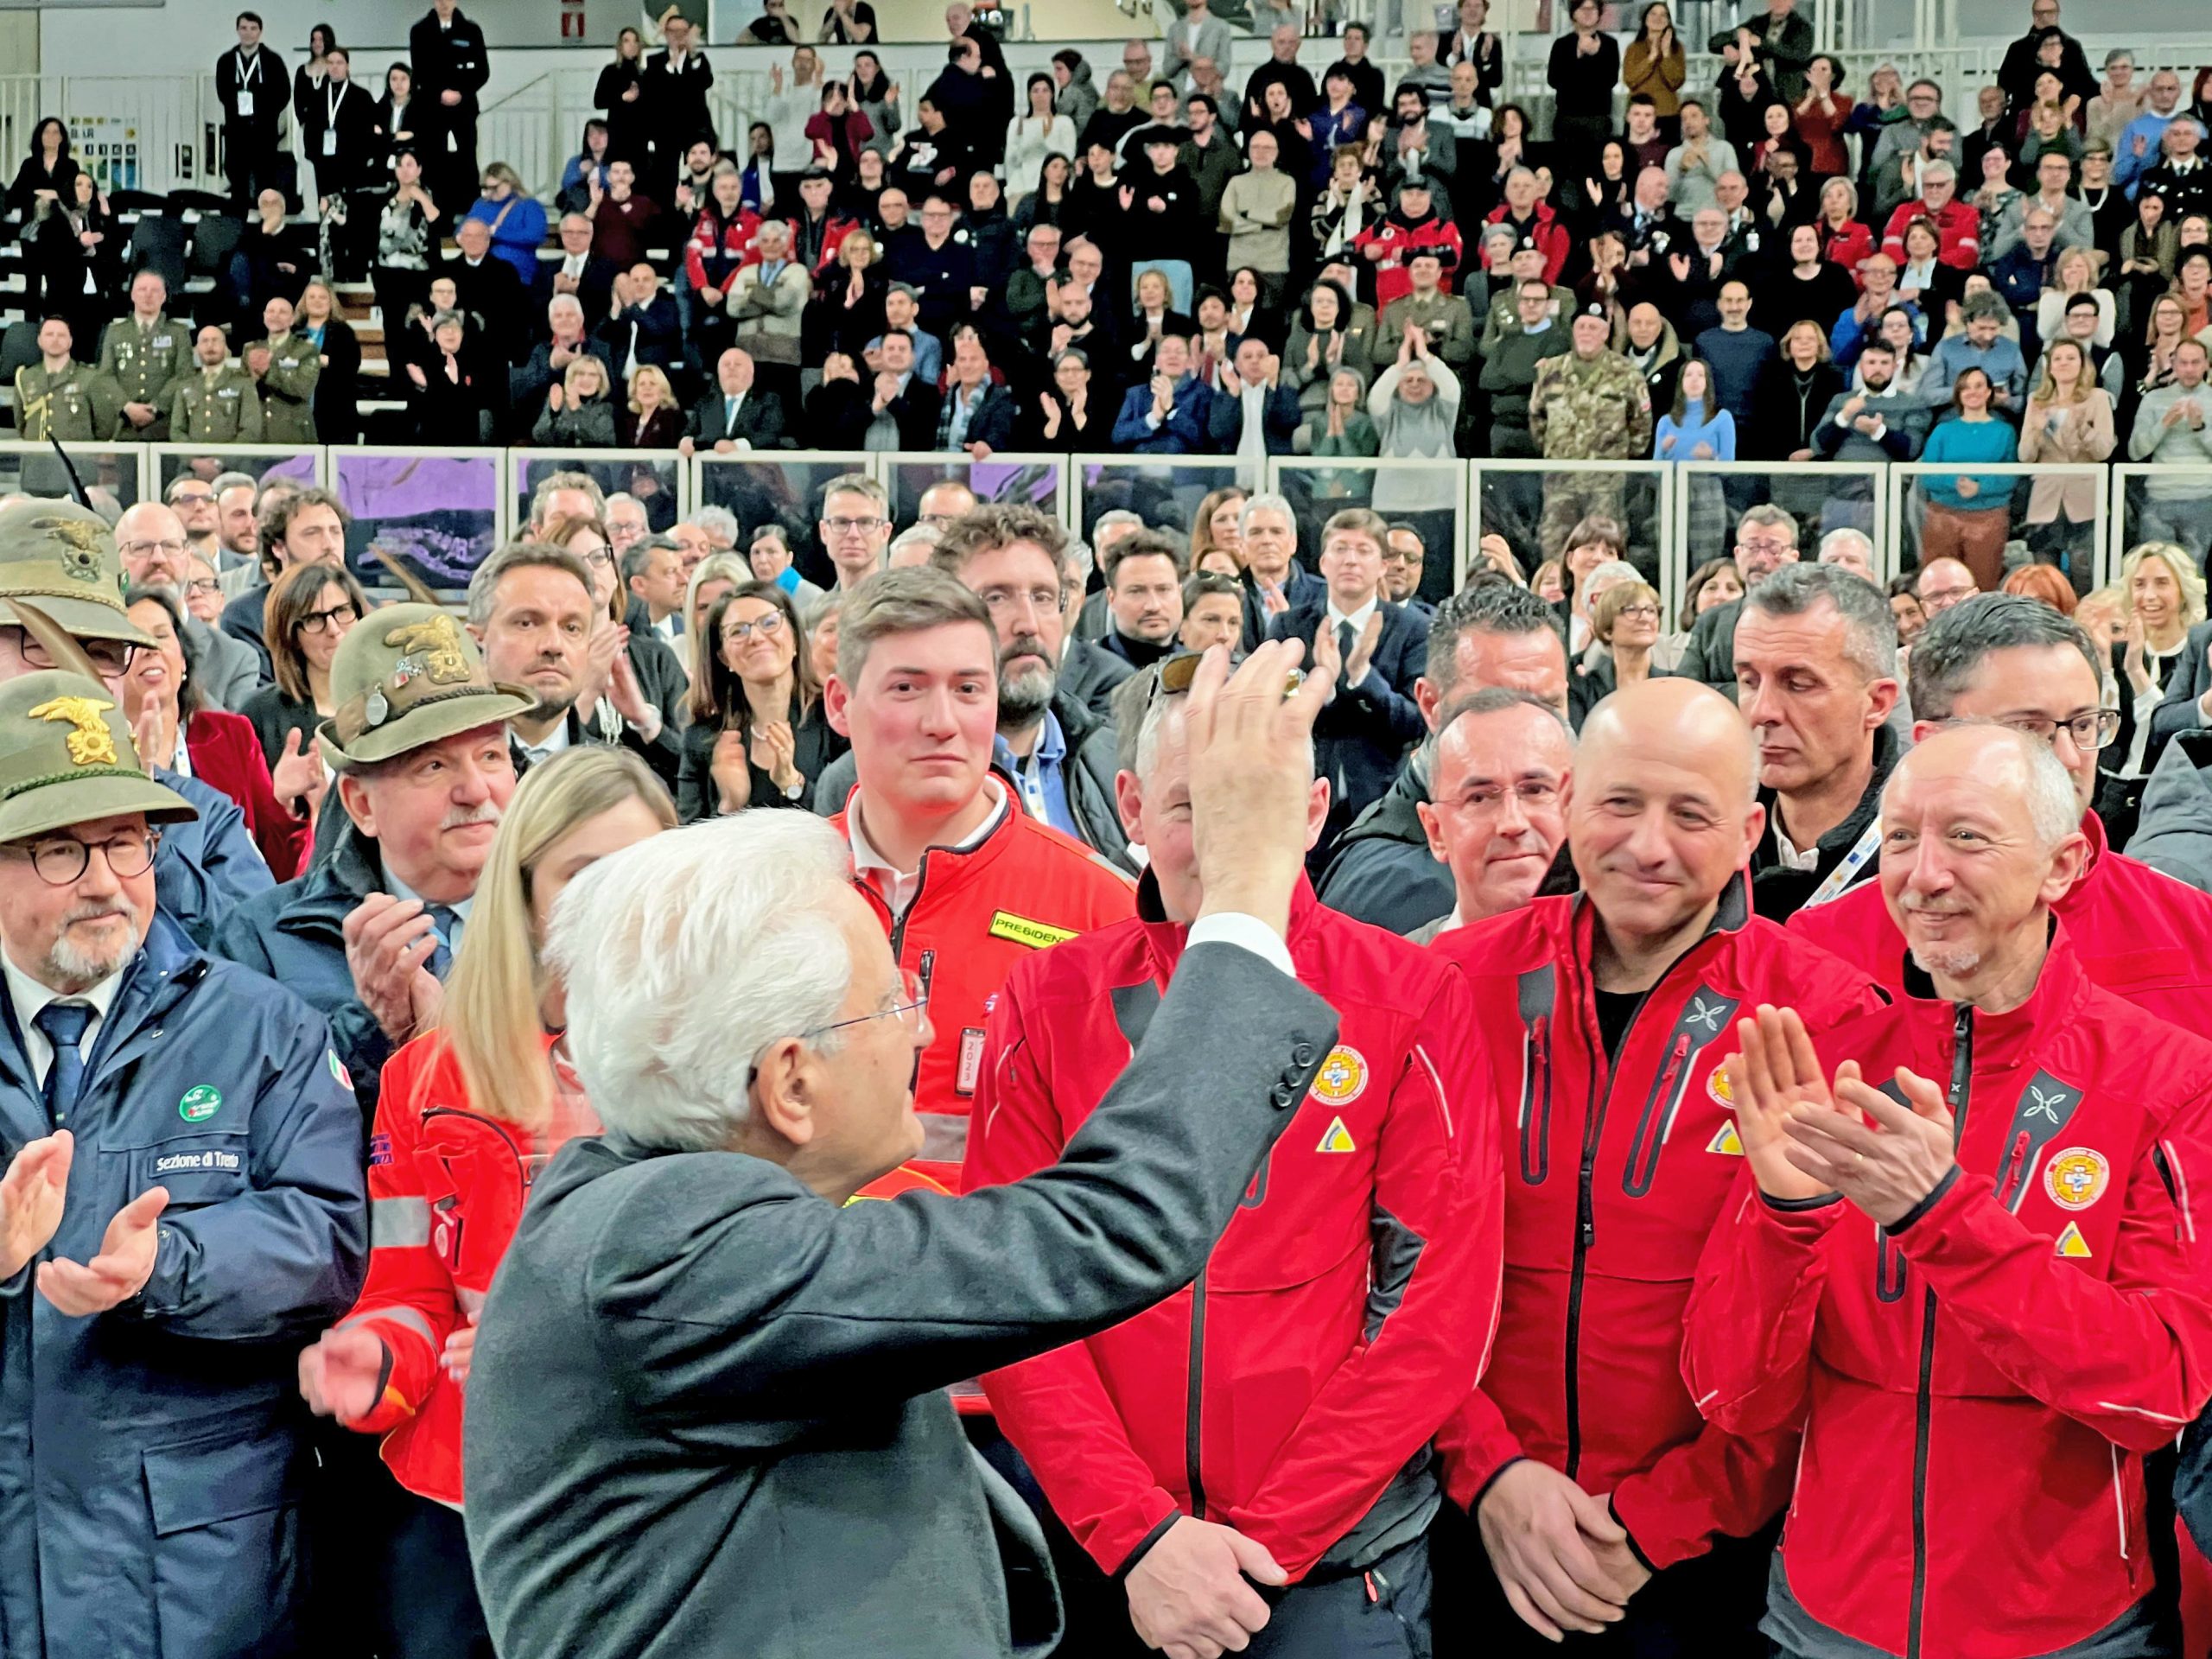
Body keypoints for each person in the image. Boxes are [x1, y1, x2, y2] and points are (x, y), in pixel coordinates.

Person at [461, 627, 1340, 1658]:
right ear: (790, 1083)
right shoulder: (669, 1246)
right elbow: (1108, 1229)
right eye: (890, 1001)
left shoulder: (665, 1207)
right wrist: (1244, 898)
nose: (924, 1027)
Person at [967, 648, 1498, 1657]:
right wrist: (1140, 1536)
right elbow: (1012, 1297)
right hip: (1112, 1566)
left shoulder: (1408, 996)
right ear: (1125, 804)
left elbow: (1436, 1312)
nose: (1216, 850)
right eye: (1186, 810)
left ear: (1310, 810)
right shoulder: (1049, 1002)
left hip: (1333, 1570)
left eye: (1240, 812)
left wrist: (1259, 1546)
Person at [1688, 720, 2212, 1659]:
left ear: (2060, 868)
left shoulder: (2169, 1081)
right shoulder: (1828, 1063)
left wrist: (1940, 1216)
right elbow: (1732, 1396)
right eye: (1897, 839)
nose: (1922, 876)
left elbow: (2160, 1390)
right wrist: (1784, 1219)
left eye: (1966, 837)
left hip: (2066, 1631)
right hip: (1823, 1620)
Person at [1433, 677, 1881, 1655]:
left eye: (1690, 814)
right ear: (1571, 803)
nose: (1646, 846)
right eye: (1619, 804)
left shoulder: (1824, 1016)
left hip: (1705, 1562)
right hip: (1471, 1528)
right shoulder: (1454, 990)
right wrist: (1489, 1475)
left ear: (1747, 830)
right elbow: (1395, 1274)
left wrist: (1656, 1524)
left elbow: (1830, 1334)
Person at [0, 661, 365, 1658]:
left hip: (203, 1588)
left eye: (126, 842)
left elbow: (331, 1243)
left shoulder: (260, 1028)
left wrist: (166, 1266)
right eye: (63, 851)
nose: (110, 881)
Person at [295, 745, 671, 1658]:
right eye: (584, 876)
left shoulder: (726, 1064)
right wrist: (372, 1362)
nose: (616, 903)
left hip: (664, 1497)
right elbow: (405, 1285)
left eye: (642, 873)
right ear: (527, 891)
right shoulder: (426, 1072)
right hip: (466, 1503)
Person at [1794, 590, 2212, 1026]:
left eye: (2085, 724)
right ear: (1932, 740)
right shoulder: (1822, 951)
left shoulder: (2194, 929)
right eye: (2029, 730)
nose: (2070, 756)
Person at [210, 605, 525, 1119]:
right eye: (434, 765)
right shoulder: (262, 942)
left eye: (491, 756)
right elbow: (247, 1130)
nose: (475, 789)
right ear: (361, 805)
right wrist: (374, 1029)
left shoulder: (564, 919)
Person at [1322, 581, 1573, 935]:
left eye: (1549, 706)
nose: (1528, 726)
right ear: (1430, 706)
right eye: (1493, 705)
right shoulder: (1395, 891)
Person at [1264, 509, 1426, 872]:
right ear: (1323, 562)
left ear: (1383, 564)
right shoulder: (1290, 625)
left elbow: (1417, 721)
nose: (1351, 559)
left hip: (1380, 803)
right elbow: (1275, 707)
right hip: (1300, 797)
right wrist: (1323, 686)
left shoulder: (1412, 628)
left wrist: (1362, 676)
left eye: (1363, 550)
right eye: (1340, 549)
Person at [122, 585, 313, 882]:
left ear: (183, 659)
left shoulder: (230, 735)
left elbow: (278, 873)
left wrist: (285, 806)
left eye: (161, 635)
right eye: (132, 640)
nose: (150, 648)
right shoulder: (96, 748)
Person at [1411, 687, 1575, 944]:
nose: (1513, 823)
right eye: (1479, 798)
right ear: (1436, 831)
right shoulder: (1391, 980)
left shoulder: (1645, 973)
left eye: (1535, 790)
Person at [678, 582, 843, 821]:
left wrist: (793, 784)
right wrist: (730, 806)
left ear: (795, 638)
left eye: (769, 623)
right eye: (738, 631)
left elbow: (851, 824)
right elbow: (686, 847)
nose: (755, 637)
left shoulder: (835, 720)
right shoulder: (702, 738)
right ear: (724, 658)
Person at [238, 563, 367, 813]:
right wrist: (280, 800)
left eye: (342, 611)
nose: (333, 629)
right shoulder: (259, 715)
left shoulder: (389, 703)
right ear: (290, 635)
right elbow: (244, 823)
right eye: (314, 619)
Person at [112, 501, 259, 715]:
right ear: (115, 562)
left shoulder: (235, 659)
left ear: (188, 558)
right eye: (141, 547)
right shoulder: (88, 644)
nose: (159, 559)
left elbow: (234, 740)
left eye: (171, 546)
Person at [220, 487, 348, 683]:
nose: (330, 544)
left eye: (335, 532)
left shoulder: (365, 608)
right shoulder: (246, 616)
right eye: (312, 533)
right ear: (279, 547)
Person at [409, 0, 489, 220]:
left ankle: (470, 212)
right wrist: (439, 94)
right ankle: (437, 214)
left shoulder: (471, 30)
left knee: (467, 159)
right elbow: (421, 70)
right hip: (432, 109)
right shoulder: (420, 31)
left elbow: (482, 70)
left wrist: (461, 92)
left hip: (464, 109)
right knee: (434, 160)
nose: (444, 2)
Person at [217, 11, 284, 206]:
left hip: (264, 133)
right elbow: (223, 93)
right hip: (237, 133)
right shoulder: (226, 61)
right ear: (237, 30)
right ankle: (239, 229)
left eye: (253, 28)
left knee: (266, 185)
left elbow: (283, 93)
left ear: (260, 32)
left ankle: (266, 230)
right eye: (244, 28)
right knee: (238, 185)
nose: (248, 33)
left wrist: (265, 113)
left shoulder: (273, 60)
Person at [1095, 530, 1184, 670]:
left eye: (1164, 590)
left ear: (1180, 592)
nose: (1153, 606)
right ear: (1111, 598)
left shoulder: (1201, 671)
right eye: (1136, 591)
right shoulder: (1087, 675)